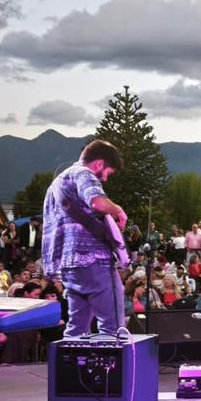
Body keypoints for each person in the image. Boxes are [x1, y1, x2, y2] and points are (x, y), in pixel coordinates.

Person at [41, 139, 128, 338]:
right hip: (93, 260)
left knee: (77, 329)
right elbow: (97, 202)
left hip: (69, 264)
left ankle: (71, 369)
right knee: (113, 328)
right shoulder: (84, 174)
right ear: (99, 164)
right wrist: (118, 210)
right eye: (108, 172)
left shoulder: (56, 184)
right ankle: (112, 369)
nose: (105, 179)